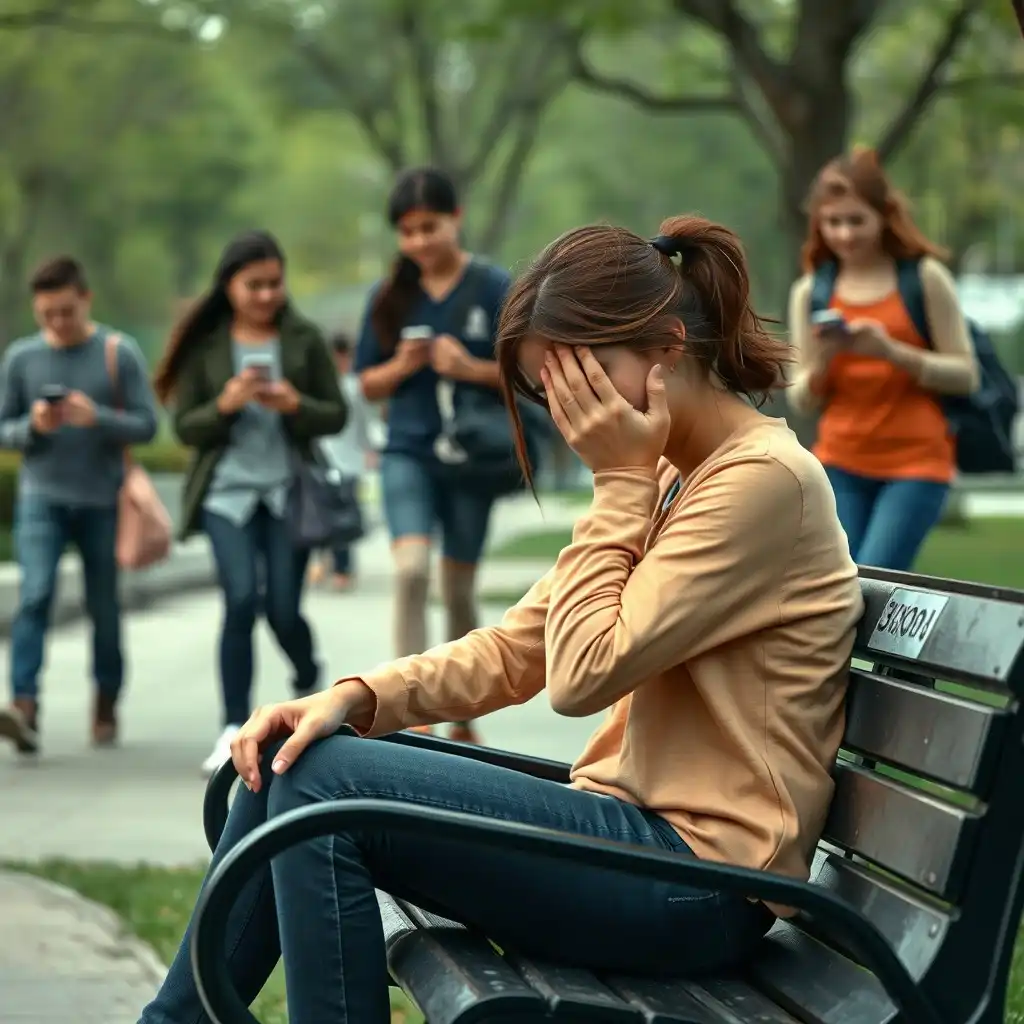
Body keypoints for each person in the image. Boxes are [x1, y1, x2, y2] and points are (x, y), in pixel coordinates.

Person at [137, 213, 863, 1024]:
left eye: (580, 381)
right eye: (548, 392)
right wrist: (354, 696)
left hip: (702, 884)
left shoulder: (759, 482)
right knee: (294, 751)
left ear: (665, 347)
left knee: (321, 781)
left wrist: (618, 481)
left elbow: (583, 675)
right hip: (634, 844)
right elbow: (523, 646)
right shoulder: (673, 473)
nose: (567, 414)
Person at [151, 230, 346, 777]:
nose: (265, 295)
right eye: (253, 285)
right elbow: (187, 428)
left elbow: (335, 414)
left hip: (289, 494)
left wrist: (294, 404)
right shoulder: (206, 344)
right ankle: (232, 726)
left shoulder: (303, 337)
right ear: (229, 286)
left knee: (283, 607)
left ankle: (309, 677)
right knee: (240, 601)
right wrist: (226, 405)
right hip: (225, 495)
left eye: (274, 284)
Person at [354, 166, 512, 745]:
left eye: (430, 226)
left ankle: (462, 714)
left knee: (459, 588)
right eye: (408, 230)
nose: (420, 241)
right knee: (411, 572)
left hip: (472, 460)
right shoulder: (390, 294)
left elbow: (529, 375)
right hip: (408, 452)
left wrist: (466, 367)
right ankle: (407, 711)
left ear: (456, 219)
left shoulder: (495, 287)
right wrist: (403, 366)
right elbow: (365, 383)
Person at [787, 149, 979, 571]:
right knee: (837, 586)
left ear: (883, 215)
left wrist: (891, 352)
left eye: (856, 220)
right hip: (840, 461)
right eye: (833, 222)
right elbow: (801, 398)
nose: (845, 234)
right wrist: (824, 359)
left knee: (873, 581)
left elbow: (966, 375)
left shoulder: (924, 279)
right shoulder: (811, 292)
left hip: (916, 464)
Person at [0, 256, 158, 755]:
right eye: (47, 314)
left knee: (103, 606)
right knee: (35, 594)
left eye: (66, 311)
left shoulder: (118, 351)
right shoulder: (21, 359)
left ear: (85, 299)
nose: (58, 323)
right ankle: (23, 705)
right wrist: (34, 426)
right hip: (42, 498)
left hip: (101, 500)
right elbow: (4, 429)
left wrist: (98, 418)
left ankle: (106, 697)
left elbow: (148, 424)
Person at [308, 331, 374, 591]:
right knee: (320, 514)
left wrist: (368, 450)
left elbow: (364, 422)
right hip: (322, 460)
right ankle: (324, 562)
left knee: (343, 518)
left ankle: (343, 568)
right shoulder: (317, 388)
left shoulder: (354, 387)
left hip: (349, 460)